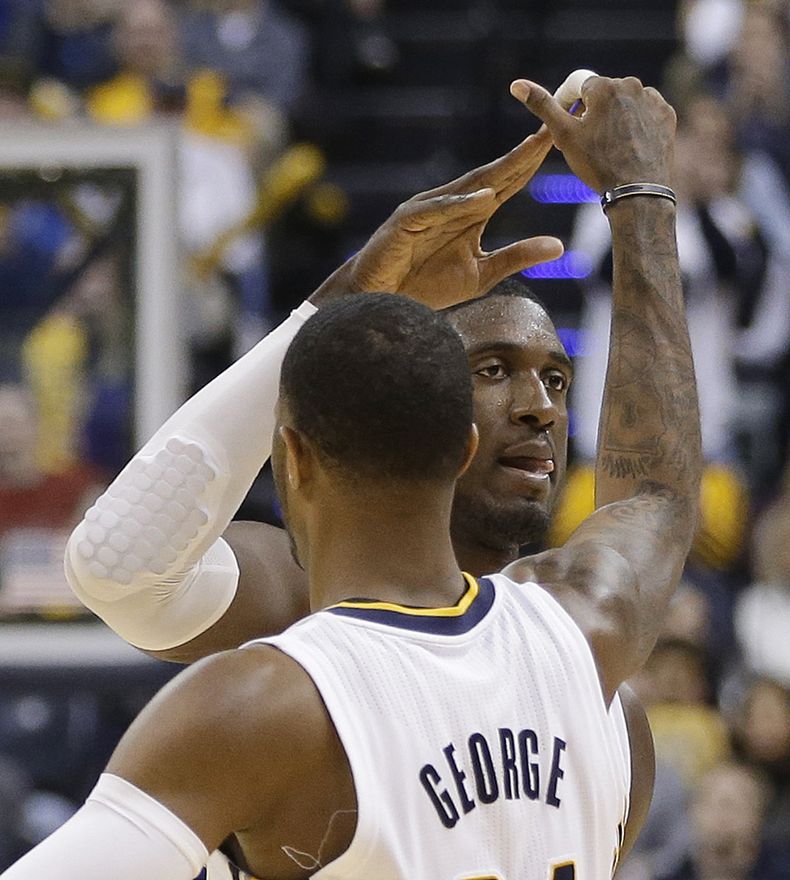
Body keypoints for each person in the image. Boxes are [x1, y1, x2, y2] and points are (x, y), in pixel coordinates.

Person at [4, 74, 699, 880]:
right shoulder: (585, 641)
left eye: (556, 379)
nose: (539, 406)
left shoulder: (601, 699)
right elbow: (123, 571)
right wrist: (643, 195)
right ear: (453, 435)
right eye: (495, 369)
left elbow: (112, 562)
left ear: (291, 452)